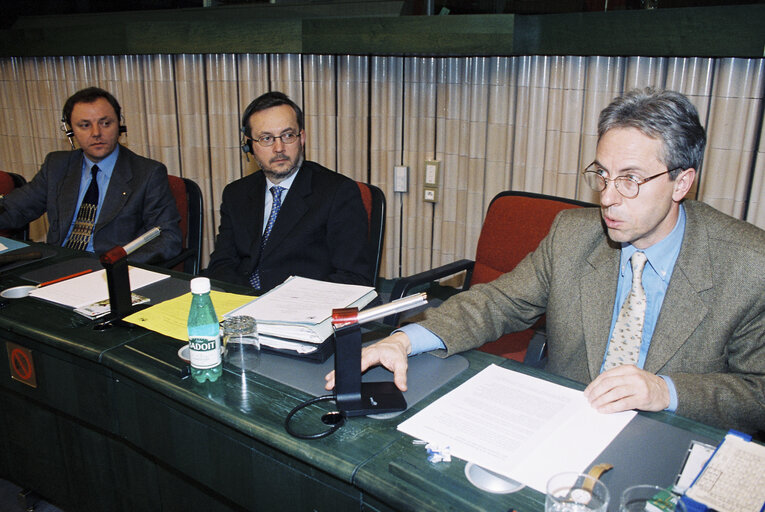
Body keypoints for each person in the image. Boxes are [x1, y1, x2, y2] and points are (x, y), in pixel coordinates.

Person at [326, 88, 765, 435]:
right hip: (565, 429)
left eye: (630, 180)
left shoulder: (749, 265)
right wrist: (404, 340)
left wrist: (664, 390)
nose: (608, 198)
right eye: (602, 176)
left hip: (673, 440)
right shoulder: (574, 235)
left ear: (681, 181)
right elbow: (497, 302)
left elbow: (758, 392)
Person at [206, 91, 373, 293]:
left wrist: (279, 303)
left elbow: (353, 277)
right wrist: (248, 303)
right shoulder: (236, 194)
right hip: (244, 307)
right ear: (249, 145)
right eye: (266, 138)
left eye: (287, 135)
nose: (279, 148)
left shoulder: (338, 193)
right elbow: (222, 264)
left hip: (304, 309)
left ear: (301, 138)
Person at [0, 87, 182, 264]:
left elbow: (168, 237)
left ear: (119, 124)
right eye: (85, 125)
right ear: (70, 131)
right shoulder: (57, 166)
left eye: (105, 123)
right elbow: (15, 209)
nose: (96, 133)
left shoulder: (147, 173)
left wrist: (116, 267)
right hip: (57, 265)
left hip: (110, 269)